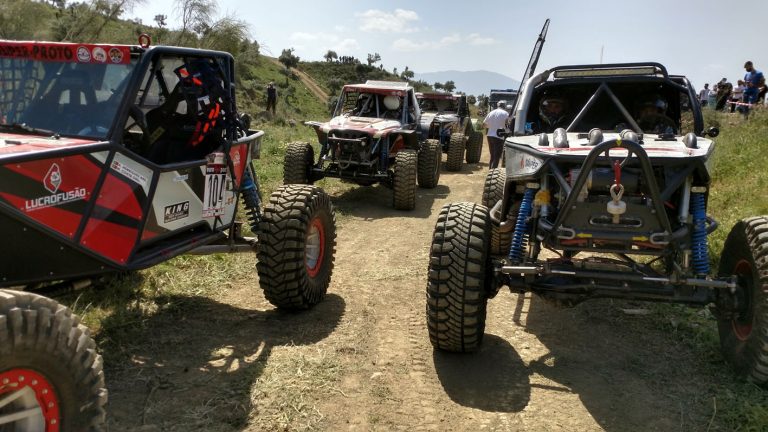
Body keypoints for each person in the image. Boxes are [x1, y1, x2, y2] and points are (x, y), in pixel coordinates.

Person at [482, 100, 509, 169]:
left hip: (490, 135)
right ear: (505, 106)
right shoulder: (506, 113)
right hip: (498, 136)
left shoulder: (491, 112)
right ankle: (493, 172)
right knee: (497, 156)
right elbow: (508, 125)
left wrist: (491, 126)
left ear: (498, 105)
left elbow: (484, 124)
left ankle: (490, 170)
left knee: (492, 155)